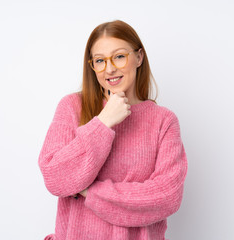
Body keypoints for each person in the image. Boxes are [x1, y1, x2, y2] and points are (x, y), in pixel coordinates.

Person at [38, 20, 188, 240]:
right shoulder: (72, 107)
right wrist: (103, 122)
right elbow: (55, 178)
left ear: (139, 57)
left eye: (119, 56)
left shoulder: (163, 120)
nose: (109, 68)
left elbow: (167, 196)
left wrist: (89, 191)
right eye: (100, 60)